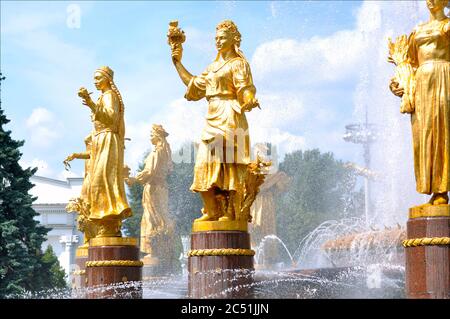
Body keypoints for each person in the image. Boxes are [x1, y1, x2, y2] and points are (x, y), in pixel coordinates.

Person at [170, 20, 260, 222]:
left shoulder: (238, 63)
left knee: (229, 164)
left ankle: (230, 212)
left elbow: (245, 88)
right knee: (203, 163)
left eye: (223, 37)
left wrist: (248, 100)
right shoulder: (212, 68)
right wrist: (177, 62)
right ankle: (212, 210)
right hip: (212, 116)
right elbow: (193, 86)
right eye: (216, 38)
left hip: (230, 114)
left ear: (234, 39)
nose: (218, 41)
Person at [390, 0, 449, 206]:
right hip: (422, 84)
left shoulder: (448, 26)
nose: (431, 1)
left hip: (444, 79)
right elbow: (411, 65)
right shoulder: (417, 30)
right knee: (423, 134)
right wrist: (399, 84)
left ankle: (442, 191)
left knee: (442, 131)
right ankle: (433, 189)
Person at [78, 66, 131, 236]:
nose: (95, 81)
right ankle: (106, 222)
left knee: (103, 179)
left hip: (108, 139)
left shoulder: (110, 95)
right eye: (94, 78)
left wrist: (91, 103)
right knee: (98, 180)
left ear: (108, 79)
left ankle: (109, 219)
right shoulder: (104, 96)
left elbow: (110, 117)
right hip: (101, 141)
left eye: (99, 77)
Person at [126, 124, 174, 257]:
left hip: (152, 188)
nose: (150, 136)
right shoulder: (164, 152)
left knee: (150, 217)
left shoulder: (156, 152)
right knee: (161, 216)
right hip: (162, 188)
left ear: (157, 136)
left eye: (152, 134)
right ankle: (163, 249)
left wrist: (133, 179)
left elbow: (149, 171)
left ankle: (151, 251)